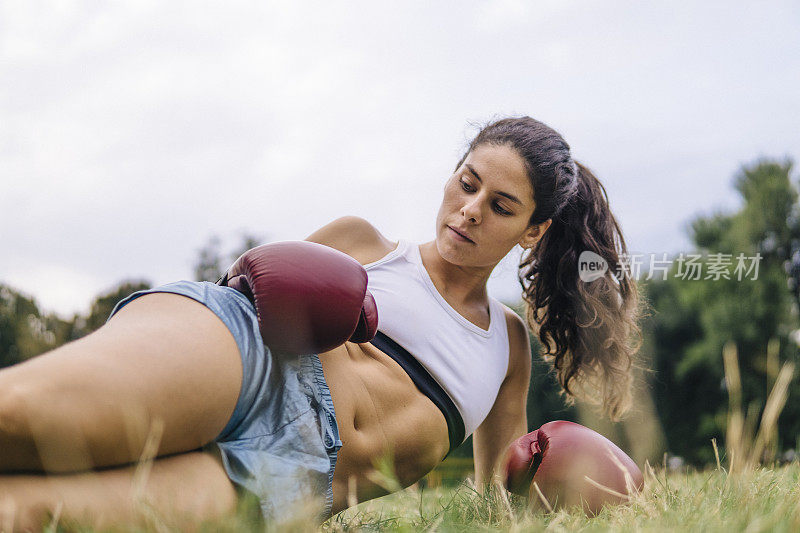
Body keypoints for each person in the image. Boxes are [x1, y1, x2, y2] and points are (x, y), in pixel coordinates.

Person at [0, 116, 641, 530]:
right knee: (16, 420)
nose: (470, 210)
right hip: (245, 362)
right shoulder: (363, 242)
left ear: (533, 231)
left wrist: (602, 497)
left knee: (34, 516)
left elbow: (497, 500)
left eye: (500, 206)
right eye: (466, 183)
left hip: (296, 481)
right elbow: (250, 294)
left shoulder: (507, 346)